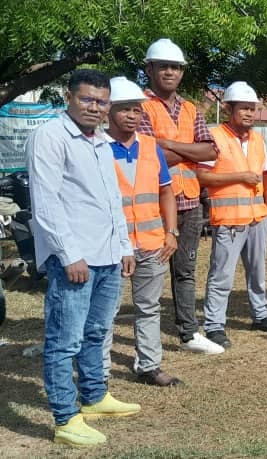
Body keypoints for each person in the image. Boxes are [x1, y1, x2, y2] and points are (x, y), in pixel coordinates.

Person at [28, 69, 141, 447]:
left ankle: (94, 397)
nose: (95, 107)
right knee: (64, 340)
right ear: (68, 96)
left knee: (96, 332)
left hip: (107, 255)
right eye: (87, 99)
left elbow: (112, 201)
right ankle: (65, 418)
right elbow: (45, 203)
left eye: (101, 101)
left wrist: (124, 246)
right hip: (75, 259)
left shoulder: (100, 142)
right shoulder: (50, 137)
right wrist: (68, 254)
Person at [137, 38, 223, 355]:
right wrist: (189, 152)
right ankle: (147, 336)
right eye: (164, 66)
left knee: (185, 270)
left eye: (175, 67)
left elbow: (211, 150)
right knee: (152, 271)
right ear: (149, 69)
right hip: (155, 203)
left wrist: (169, 146)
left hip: (189, 201)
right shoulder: (140, 106)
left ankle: (188, 333)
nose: (170, 72)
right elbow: (146, 152)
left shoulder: (190, 109)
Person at [102, 77, 182, 386]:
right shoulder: (97, 148)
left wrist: (171, 232)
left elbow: (166, 192)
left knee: (149, 308)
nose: (132, 116)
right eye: (124, 110)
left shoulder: (150, 147)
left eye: (137, 110)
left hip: (151, 243)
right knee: (105, 311)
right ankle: (100, 371)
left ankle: (149, 365)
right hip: (110, 247)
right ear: (109, 111)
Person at [198, 81, 267, 349]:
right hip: (229, 219)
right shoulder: (215, 137)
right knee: (221, 274)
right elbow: (201, 175)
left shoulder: (258, 140)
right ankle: (214, 325)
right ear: (229, 109)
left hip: (258, 217)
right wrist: (239, 176)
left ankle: (261, 315)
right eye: (244, 108)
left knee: (258, 271)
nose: (249, 113)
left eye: (252, 109)